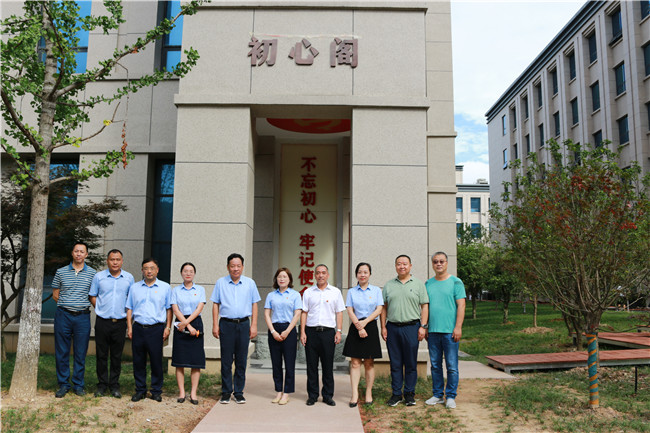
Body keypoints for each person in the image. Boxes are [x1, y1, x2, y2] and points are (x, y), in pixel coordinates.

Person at [211, 253, 261, 404]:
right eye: (232, 266)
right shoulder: (220, 283)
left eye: (238, 266)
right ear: (228, 267)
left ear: (242, 267)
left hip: (244, 324)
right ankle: (226, 392)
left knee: (241, 359)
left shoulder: (250, 283)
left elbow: (254, 304)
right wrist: (215, 324)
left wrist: (254, 325)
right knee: (226, 360)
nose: (235, 269)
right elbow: (215, 304)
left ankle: (238, 392)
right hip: (226, 324)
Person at [380, 254, 429, 407]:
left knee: (410, 362)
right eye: (399, 264)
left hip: (412, 327)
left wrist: (423, 326)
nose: (402, 266)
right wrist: (383, 327)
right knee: (395, 363)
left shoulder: (419, 284)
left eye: (405, 264)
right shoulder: (389, 285)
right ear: (395, 266)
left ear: (410, 266)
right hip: (392, 328)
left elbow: (424, 306)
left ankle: (409, 394)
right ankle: (396, 394)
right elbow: (383, 308)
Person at [52, 241, 97, 398]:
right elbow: (55, 294)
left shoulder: (93, 274)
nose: (79, 254)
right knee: (62, 351)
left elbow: (93, 295)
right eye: (76, 251)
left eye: (82, 251)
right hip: (63, 316)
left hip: (82, 317)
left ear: (86, 254)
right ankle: (63, 384)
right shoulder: (61, 272)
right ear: (72, 253)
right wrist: (67, 305)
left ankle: (78, 385)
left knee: (80, 352)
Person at [89, 249, 134, 398]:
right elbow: (92, 295)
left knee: (116, 356)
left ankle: (114, 385)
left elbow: (131, 299)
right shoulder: (99, 277)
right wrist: (100, 309)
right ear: (107, 261)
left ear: (122, 261)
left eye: (117, 259)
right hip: (102, 321)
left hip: (120, 323)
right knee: (101, 355)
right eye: (112, 259)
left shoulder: (129, 278)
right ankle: (102, 385)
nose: (115, 262)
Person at [126, 258, 172, 402]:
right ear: (142, 270)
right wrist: (129, 327)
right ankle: (140, 390)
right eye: (146, 268)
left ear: (157, 270)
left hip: (156, 329)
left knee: (156, 361)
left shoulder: (165, 287)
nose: (149, 271)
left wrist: (168, 327)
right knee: (138, 361)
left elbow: (169, 309)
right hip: (138, 327)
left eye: (152, 268)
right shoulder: (134, 287)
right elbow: (129, 308)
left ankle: (156, 390)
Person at [424, 251, 466, 409]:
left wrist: (458, 327)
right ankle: (437, 395)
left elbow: (461, 305)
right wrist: (425, 326)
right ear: (432, 264)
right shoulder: (428, 284)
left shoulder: (456, 282)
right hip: (433, 332)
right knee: (435, 365)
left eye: (441, 261)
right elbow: (426, 307)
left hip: (450, 332)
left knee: (452, 366)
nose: (438, 264)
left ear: (447, 263)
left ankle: (451, 396)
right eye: (435, 261)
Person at [300, 264, 345, 407]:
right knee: (311, 366)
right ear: (314, 275)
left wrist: (339, 331)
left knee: (328, 366)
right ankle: (312, 395)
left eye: (323, 273)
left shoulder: (335, 292)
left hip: (328, 333)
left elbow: (339, 312)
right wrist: (302, 332)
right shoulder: (308, 292)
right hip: (311, 332)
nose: (320, 275)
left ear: (328, 275)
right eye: (318, 273)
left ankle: (327, 396)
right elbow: (304, 312)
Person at [342, 262, 383, 407]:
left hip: (370, 325)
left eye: (365, 272)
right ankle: (354, 394)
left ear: (370, 274)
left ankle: (368, 392)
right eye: (360, 272)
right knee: (355, 363)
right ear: (356, 274)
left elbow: (379, 309)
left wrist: (364, 323)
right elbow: (349, 310)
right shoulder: (352, 291)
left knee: (369, 363)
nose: (362, 275)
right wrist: (359, 325)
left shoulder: (376, 290)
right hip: (356, 326)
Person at [263, 267, 302, 405]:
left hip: (289, 329)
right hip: (274, 329)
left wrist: (287, 331)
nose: (282, 279)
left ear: (289, 279)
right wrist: (273, 331)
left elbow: (297, 314)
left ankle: (287, 393)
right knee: (276, 363)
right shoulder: (271, 295)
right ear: (276, 279)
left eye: (285, 276)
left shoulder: (295, 295)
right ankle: (278, 391)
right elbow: (267, 314)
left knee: (289, 363)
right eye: (279, 276)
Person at [171, 262, 206, 405]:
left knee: (195, 361)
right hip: (180, 323)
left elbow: (199, 308)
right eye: (185, 271)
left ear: (194, 273)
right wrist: (185, 325)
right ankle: (181, 392)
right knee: (180, 361)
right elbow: (175, 309)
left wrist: (188, 324)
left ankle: (193, 393)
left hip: (195, 322)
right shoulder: (175, 290)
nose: (188, 273)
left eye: (191, 271)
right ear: (181, 273)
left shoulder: (200, 289)